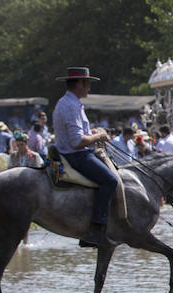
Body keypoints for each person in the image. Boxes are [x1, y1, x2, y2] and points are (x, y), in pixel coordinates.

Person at [52, 66, 117, 247]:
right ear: (80, 84)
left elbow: (79, 134)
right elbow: (78, 142)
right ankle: (96, 229)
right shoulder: (71, 106)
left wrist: (93, 132)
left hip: (72, 152)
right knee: (110, 181)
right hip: (76, 155)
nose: (89, 87)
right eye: (87, 83)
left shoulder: (68, 103)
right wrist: (100, 136)